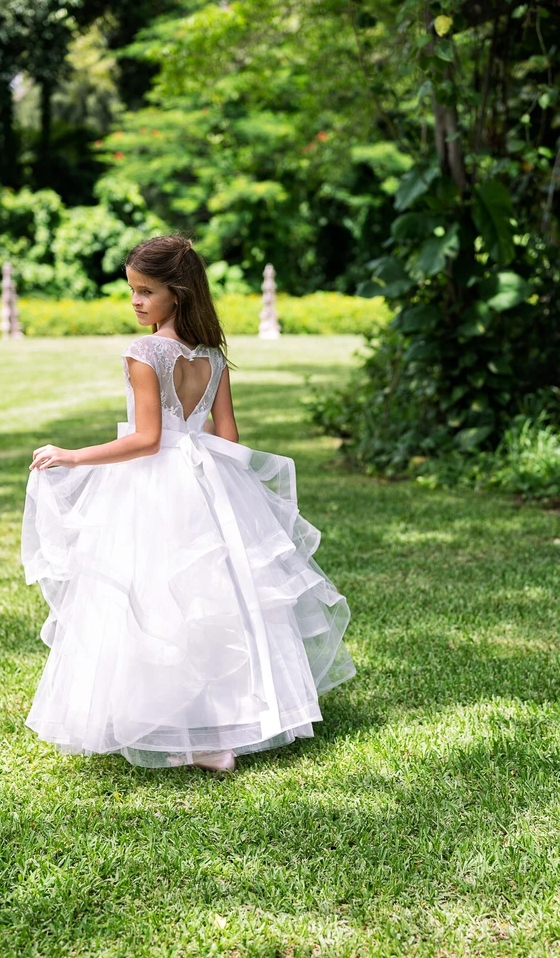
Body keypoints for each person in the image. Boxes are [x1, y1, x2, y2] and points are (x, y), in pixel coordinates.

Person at [21, 234, 356, 773]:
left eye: (145, 292)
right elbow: (227, 435)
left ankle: (173, 723)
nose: (135, 302)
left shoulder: (145, 352)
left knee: (154, 597)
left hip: (151, 482)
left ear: (176, 293)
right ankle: (221, 728)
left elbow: (147, 440)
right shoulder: (212, 355)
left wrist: (73, 455)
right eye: (131, 290)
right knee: (216, 599)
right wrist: (224, 492)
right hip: (210, 480)